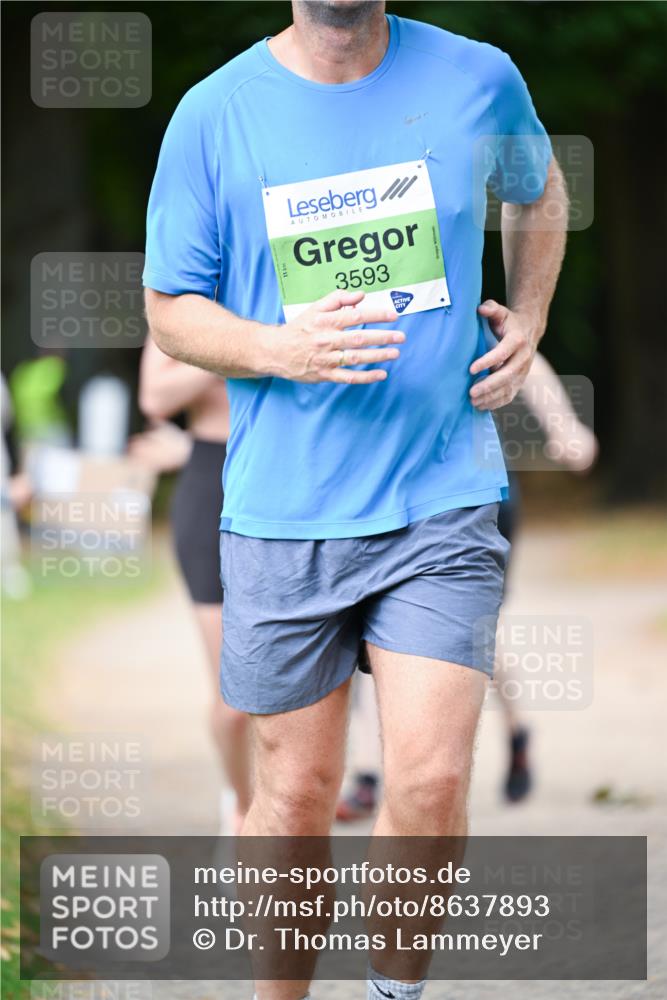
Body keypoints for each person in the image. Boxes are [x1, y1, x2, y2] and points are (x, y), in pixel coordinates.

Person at [143, 3, 568, 998]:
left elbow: (538, 190)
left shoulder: (476, 77)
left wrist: (533, 311)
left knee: (427, 780)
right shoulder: (214, 113)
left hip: (440, 493)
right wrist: (281, 348)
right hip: (283, 510)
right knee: (293, 800)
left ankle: (394, 989)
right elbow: (170, 309)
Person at [336, 352, 599, 818]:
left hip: (466, 496)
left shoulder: (445, 287)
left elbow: (521, 352)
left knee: (469, 630)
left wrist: (564, 426)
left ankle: (515, 728)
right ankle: (369, 771)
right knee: (359, 625)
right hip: (364, 495)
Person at [136, 336, 251, 833]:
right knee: (235, 704)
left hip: (296, 480)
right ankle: (243, 807)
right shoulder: (195, 296)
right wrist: (242, 346)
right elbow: (154, 397)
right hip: (212, 482)